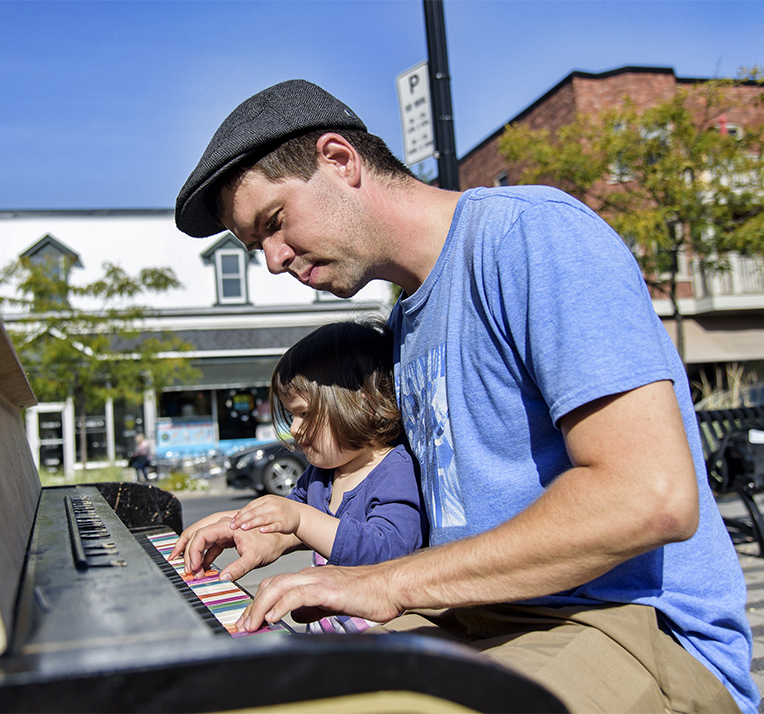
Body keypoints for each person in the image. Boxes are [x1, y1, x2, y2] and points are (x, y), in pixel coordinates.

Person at [172, 79, 758, 713]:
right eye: (257, 246)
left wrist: (389, 583)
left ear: (339, 160)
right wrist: (280, 530)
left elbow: (649, 499)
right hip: (486, 618)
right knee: (273, 692)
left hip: (634, 631)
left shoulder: (531, 237)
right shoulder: (404, 326)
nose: (274, 261)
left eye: (274, 224)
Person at [171, 320, 425, 634]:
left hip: (386, 645)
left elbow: (390, 549)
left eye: (304, 413)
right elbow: (280, 518)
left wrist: (301, 518)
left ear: (365, 403)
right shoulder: (321, 475)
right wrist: (225, 522)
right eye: (291, 414)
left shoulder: (395, 470)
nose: (293, 428)